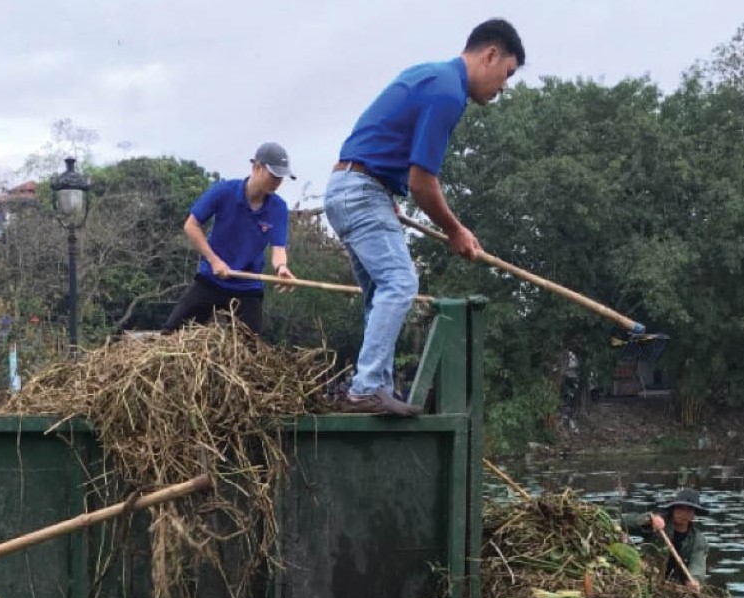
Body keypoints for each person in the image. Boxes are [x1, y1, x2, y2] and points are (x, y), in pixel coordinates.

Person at [325, 19, 525, 415]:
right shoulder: (448, 93)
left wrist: (385, 188)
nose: (504, 87)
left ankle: (374, 387)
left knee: (380, 293)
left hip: (350, 186)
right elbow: (422, 181)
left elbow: (380, 138)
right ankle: (365, 388)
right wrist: (455, 230)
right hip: (361, 190)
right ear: (490, 55)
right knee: (400, 282)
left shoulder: (429, 73)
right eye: (507, 74)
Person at [161, 142, 297, 335]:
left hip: (247, 285)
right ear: (257, 167)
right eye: (273, 175)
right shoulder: (224, 191)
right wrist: (214, 261)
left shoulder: (278, 207)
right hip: (212, 278)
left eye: (281, 177)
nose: (277, 182)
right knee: (170, 334)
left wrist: (281, 267)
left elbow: (278, 248)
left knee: (252, 352)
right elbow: (191, 226)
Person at [622, 488, 709, 590]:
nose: (684, 513)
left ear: (694, 514)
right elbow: (624, 522)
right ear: (673, 509)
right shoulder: (658, 525)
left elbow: (698, 564)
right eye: (680, 508)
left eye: (689, 510)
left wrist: (695, 580)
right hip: (646, 578)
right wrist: (648, 520)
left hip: (674, 588)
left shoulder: (698, 540)